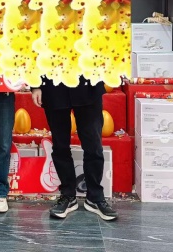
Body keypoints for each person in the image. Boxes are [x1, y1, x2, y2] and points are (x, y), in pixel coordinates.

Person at [32, 77, 118, 221]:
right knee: (60, 146)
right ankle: (68, 195)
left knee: (93, 145)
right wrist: (35, 85)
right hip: (54, 85)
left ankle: (95, 197)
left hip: (88, 83)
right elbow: (35, 60)